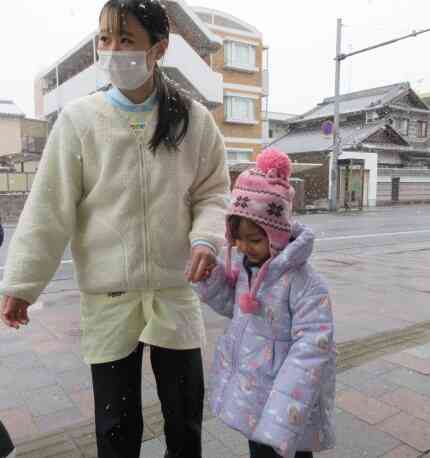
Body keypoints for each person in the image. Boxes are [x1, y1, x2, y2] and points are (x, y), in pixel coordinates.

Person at [0, 1, 230, 457]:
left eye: (126, 40)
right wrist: (23, 283)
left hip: (174, 292)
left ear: (158, 49)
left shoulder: (192, 118)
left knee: (185, 419)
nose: (111, 50)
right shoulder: (79, 120)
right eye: (105, 39)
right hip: (109, 299)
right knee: (116, 425)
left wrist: (206, 237)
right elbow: (49, 207)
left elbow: (213, 191)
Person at [191, 148, 336, 458]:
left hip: (285, 405)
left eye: (254, 239)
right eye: (237, 237)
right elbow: (238, 307)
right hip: (254, 395)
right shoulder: (249, 266)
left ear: (278, 234)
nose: (243, 247)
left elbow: (313, 347)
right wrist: (212, 278)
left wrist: (284, 408)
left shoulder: (305, 284)